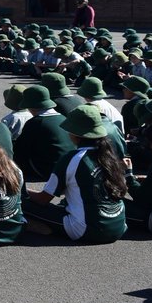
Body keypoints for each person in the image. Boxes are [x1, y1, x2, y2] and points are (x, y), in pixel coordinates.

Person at [24, 105, 128, 244]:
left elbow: (43, 199)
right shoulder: (110, 154)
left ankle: (38, 227)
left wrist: (21, 191)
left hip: (88, 230)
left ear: (74, 133)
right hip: (119, 227)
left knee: (23, 204)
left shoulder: (72, 158)